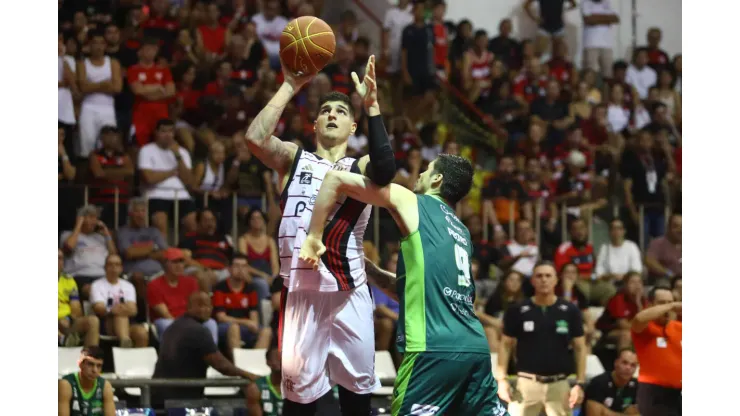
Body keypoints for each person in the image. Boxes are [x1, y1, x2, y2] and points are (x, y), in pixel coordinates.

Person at [299, 154, 509, 416]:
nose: (419, 174)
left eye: (426, 169)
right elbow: (420, 289)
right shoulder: (461, 229)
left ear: (437, 179)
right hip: (474, 348)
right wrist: (371, 269)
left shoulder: (414, 201)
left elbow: (335, 178)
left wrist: (314, 236)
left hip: (432, 348)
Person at [243, 52, 395, 415]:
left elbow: (386, 169)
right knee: (299, 402)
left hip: (349, 290)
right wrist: (290, 85)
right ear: (314, 123)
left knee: (356, 399)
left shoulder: (358, 167)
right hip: (301, 290)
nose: (332, 114)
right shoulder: (294, 158)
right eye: (326, 110)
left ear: (353, 128)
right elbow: (255, 138)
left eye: (342, 112)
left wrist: (371, 107)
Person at [496, 262, 587, 416]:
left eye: (548, 276)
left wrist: (580, 384)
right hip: (525, 384)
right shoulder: (517, 310)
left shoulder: (570, 310)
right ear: (532, 281)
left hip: (559, 384)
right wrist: (501, 380)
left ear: (556, 280)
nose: (543, 280)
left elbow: (580, 347)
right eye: (539, 276)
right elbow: (505, 345)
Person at [152, 292, 259, 407]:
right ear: (188, 307)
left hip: (162, 396)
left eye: (208, 305)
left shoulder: (175, 326)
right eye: (199, 305)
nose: (205, 309)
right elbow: (221, 365)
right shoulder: (197, 330)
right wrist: (247, 374)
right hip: (180, 399)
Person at [631, 286, 682, 416]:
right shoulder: (644, 327)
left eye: (670, 302)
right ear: (650, 304)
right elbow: (639, 319)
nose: (667, 307)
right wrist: (671, 306)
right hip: (654, 392)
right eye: (661, 303)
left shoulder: (680, 327)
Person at [212, 254, 272, 353]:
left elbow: (254, 316)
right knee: (234, 328)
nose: (240, 269)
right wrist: (245, 322)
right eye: (237, 266)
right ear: (229, 269)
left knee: (266, 331)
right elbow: (221, 317)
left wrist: (253, 324)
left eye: (244, 266)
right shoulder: (220, 287)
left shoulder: (251, 288)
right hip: (225, 327)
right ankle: (238, 365)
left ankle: (254, 364)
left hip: (246, 327)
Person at [90, 254, 149, 348]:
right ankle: (125, 342)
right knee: (120, 316)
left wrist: (119, 309)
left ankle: (134, 354)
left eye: (117, 264)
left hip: (128, 323)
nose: (114, 267)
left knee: (141, 333)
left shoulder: (128, 286)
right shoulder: (97, 285)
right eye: (110, 264)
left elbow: (134, 310)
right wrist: (113, 310)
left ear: (121, 268)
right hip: (106, 322)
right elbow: (99, 308)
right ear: (105, 267)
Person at [58, 347, 116, 416]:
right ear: (80, 364)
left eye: (99, 366)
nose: (95, 370)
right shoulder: (66, 384)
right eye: (90, 364)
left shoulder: (105, 386)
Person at [583, 348, 639, 416]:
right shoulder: (598, 383)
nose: (628, 368)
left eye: (633, 365)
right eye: (624, 363)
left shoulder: (637, 386)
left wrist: (605, 412)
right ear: (616, 363)